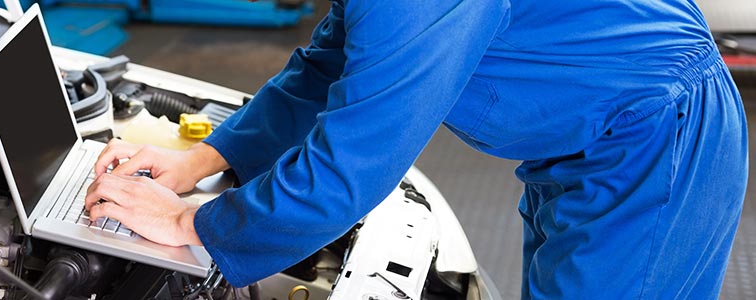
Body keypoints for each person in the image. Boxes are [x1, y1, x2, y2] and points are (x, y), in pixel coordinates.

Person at [83, 0, 748, 298]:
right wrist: (203, 160)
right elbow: (325, 67)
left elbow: (352, 163)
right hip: (585, 134)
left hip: (657, 138)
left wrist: (187, 222)